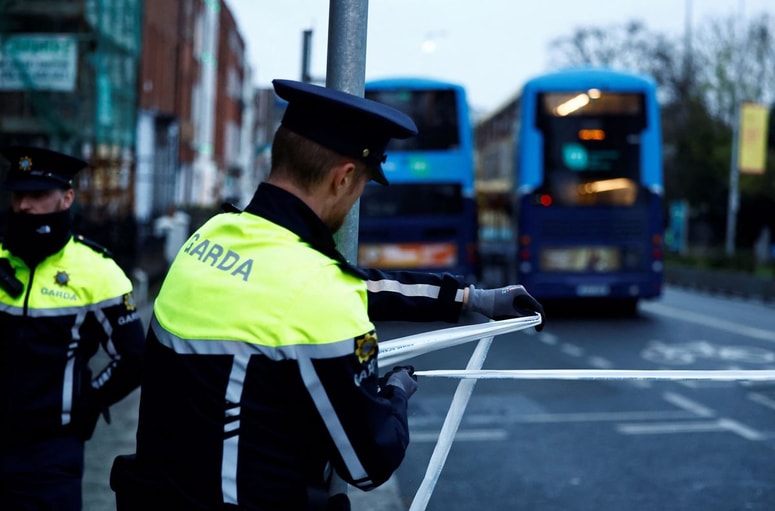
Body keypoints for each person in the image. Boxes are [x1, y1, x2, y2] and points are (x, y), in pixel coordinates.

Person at [110, 79, 544, 511]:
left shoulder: (212, 236)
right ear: (344, 177)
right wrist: (394, 392)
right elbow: (369, 463)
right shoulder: (316, 292)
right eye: (361, 187)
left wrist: (470, 299)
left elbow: (340, 283)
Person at [0, 145, 146, 510]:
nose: (24, 206)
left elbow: (134, 358)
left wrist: (89, 400)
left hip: (50, 453)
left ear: (67, 198)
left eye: (37, 195)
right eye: (18, 196)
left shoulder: (98, 272)